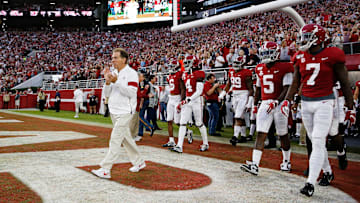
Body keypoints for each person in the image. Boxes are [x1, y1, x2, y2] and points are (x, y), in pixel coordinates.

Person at [280, 24, 355, 197]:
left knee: (319, 139)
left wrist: (350, 109)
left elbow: (345, 83)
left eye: (307, 36)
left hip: (325, 102)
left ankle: (310, 183)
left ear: (318, 38)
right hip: (306, 103)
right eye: (303, 36)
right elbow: (296, 82)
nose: (303, 40)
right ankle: (328, 172)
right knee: (314, 141)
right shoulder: (300, 56)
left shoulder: (332, 55)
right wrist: (288, 100)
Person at [92, 48, 146, 179]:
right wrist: (108, 82)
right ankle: (139, 162)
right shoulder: (114, 72)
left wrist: (117, 82)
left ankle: (106, 168)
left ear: (124, 59)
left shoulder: (131, 73)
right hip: (114, 110)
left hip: (125, 111)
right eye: (112, 58)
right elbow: (107, 93)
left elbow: (131, 92)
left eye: (115, 57)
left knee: (115, 139)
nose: (113, 60)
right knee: (126, 138)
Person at [240, 41, 293, 175]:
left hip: (280, 103)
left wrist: (277, 101)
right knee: (261, 133)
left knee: (282, 134)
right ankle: (255, 164)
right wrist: (255, 104)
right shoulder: (259, 68)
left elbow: (287, 88)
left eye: (269, 53)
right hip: (265, 102)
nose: (266, 56)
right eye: (264, 53)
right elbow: (258, 88)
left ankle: (286, 161)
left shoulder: (284, 67)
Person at [169, 55, 209, 153]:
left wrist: (188, 100)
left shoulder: (199, 73)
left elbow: (199, 91)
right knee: (182, 122)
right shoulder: (185, 74)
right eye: (185, 63)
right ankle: (179, 145)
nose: (186, 65)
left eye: (188, 62)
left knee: (199, 123)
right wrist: (185, 100)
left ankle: (205, 143)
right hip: (188, 100)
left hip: (196, 101)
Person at [224, 55, 254, 145]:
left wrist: (249, 102)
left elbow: (250, 88)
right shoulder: (231, 71)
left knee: (237, 116)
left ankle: (235, 136)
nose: (235, 65)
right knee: (241, 117)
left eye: (237, 63)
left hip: (243, 94)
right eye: (235, 63)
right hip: (235, 95)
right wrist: (223, 94)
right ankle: (243, 135)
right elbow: (229, 84)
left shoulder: (246, 72)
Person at [162, 59, 193, 148]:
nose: (170, 68)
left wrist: (181, 100)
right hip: (170, 99)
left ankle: (188, 131)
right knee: (169, 120)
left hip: (177, 98)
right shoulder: (169, 76)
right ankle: (171, 140)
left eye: (172, 66)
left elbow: (182, 88)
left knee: (177, 121)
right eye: (170, 66)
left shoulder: (179, 74)